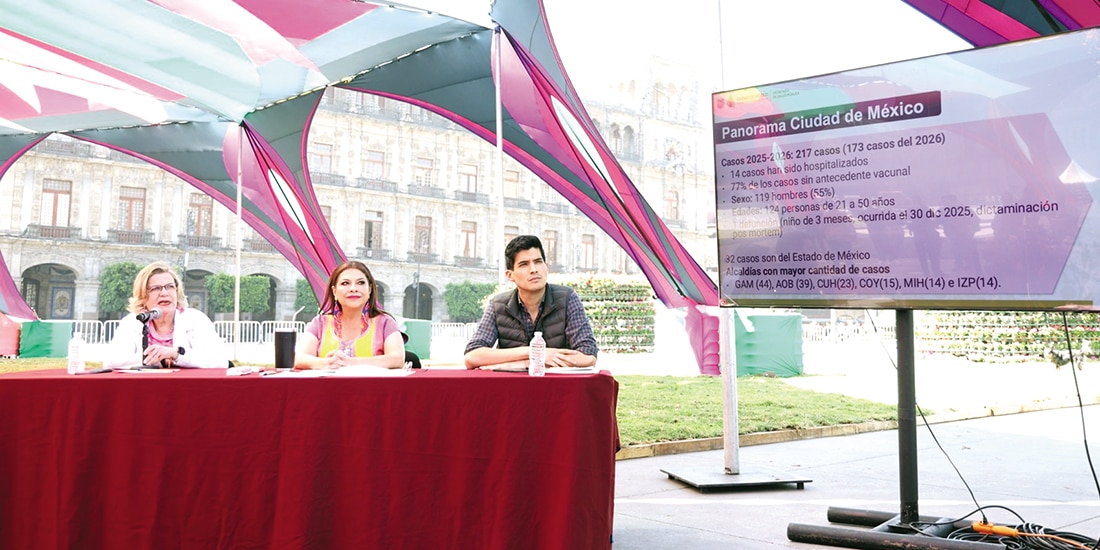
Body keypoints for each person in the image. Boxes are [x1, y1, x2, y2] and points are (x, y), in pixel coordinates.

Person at [464, 235, 598, 369]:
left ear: (546, 267)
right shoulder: (498, 305)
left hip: (556, 386)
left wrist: (514, 364)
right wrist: (533, 355)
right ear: (510, 275)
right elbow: (472, 356)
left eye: (538, 262)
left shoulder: (567, 298)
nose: (534, 269)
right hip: (512, 387)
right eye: (524, 264)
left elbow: (587, 355)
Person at [103, 261, 227, 369]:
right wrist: (159, 359)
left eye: (170, 287)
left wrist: (176, 355)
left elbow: (219, 361)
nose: (164, 293)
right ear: (143, 295)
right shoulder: (132, 322)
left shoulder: (196, 319)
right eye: (156, 288)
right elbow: (111, 362)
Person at [296, 260, 405, 369]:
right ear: (334, 291)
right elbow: (298, 358)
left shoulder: (385, 322)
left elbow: (397, 359)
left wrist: (349, 362)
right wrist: (327, 363)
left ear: (370, 289)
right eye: (345, 283)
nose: (353, 289)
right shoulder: (320, 323)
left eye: (361, 283)